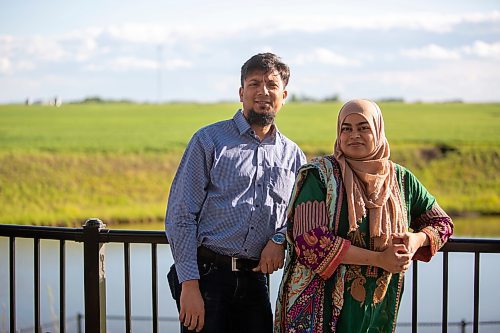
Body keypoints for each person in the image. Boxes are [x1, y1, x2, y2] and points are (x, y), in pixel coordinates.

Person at [275, 99, 453, 333]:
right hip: (319, 307)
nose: (353, 135)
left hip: (376, 308)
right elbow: (311, 243)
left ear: (378, 131)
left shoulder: (401, 180)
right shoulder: (320, 177)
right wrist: (380, 259)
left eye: (363, 127)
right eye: (346, 128)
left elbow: (442, 223)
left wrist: (417, 240)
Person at [165, 52, 306, 333]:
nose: (263, 92)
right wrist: (188, 285)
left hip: (256, 282)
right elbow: (180, 215)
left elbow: (299, 216)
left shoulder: (293, 156)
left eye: (272, 85)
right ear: (241, 93)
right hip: (206, 279)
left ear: (284, 95)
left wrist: (279, 238)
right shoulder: (208, 140)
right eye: (254, 84)